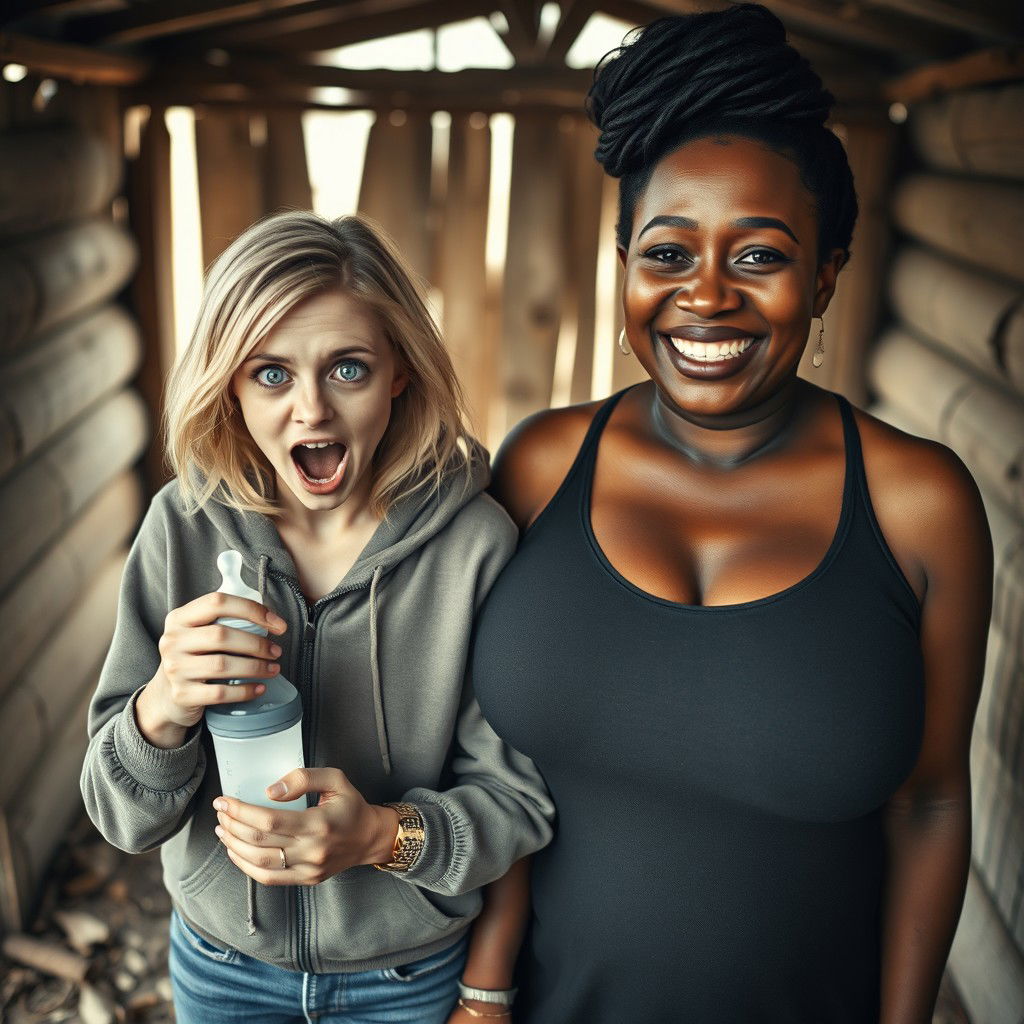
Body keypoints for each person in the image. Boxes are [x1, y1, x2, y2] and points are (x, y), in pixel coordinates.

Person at [472, 6, 993, 1022]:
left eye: (757, 256)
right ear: (623, 263)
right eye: (666, 254)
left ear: (826, 273)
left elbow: (930, 802)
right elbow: (481, 767)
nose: (704, 297)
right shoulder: (539, 467)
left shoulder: (917, 506)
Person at [80, 211, 553, 1024]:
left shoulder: (476, 547)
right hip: (223, 966)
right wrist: (163, 705)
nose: (311, 413)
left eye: (348, 369)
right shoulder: (180, 527)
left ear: (400, 372)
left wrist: (380, 835)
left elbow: (519, 801)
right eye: (270, 374)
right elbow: (124, 819)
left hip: (404, 980)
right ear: (228, 382)